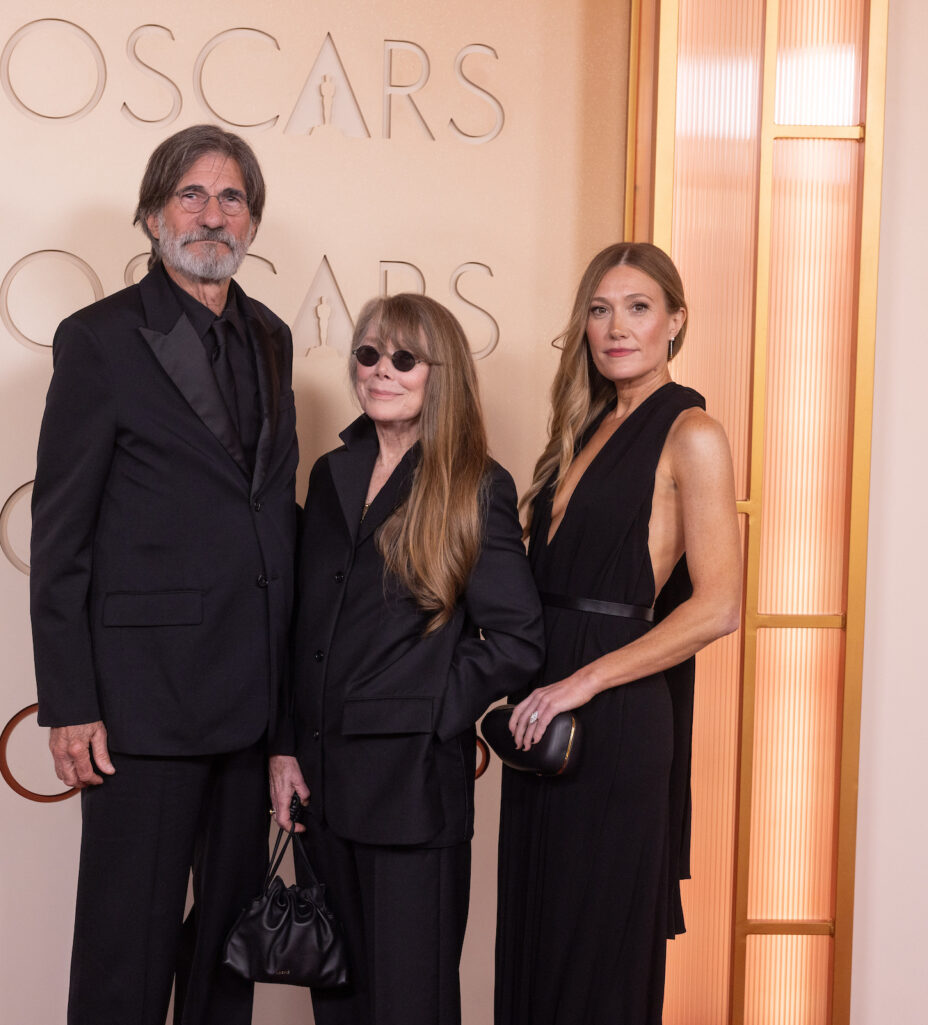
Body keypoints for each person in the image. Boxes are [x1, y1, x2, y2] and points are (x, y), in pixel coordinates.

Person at [29, 124, 298, 1025]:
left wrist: (290, 716)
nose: (212, 215)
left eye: (231, 199)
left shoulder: (273, 337)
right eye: (192, 195)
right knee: (125, 948)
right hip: (140, 707)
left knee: (229, 951)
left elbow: (270, 516)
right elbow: (60, 534)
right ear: (151, 214)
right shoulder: (99, 340)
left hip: (249, 703)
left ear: (252, 222)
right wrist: (69, 700)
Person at [269, 293, 545, 1025]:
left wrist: (427, 711)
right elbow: (305, 627)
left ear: (440, 373)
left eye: (403, 358)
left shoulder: (475, 485)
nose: (380, 371)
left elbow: (518, 640)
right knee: (341, 1003)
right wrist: (286, 746)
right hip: (319, 790)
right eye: (367, 354)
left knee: (408, 1005)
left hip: (413, 792)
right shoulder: (330, 474)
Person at [493, 243, 741, 1025]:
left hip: (615, 717)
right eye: (599, 309)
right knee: (538, 938)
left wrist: (583, 681)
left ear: (676, 321)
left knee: (594, 952)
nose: (615, 327)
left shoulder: (692, 430)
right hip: (545, 715)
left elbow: (719, 606)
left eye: (637, 307)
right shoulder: (585, 424)